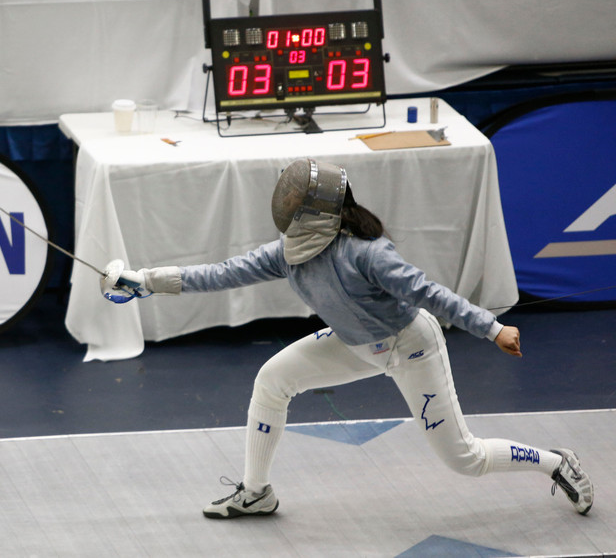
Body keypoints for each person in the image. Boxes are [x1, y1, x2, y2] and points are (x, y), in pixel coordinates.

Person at [102, 157, 593, 519]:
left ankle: (556, 462)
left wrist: (493, 327)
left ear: (316, 212)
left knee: (465, 459)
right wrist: (145, 281)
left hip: (410, 348)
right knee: (272, 380)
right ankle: (256, 492)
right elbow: (223, 272)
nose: (286, 207)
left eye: (295, 202)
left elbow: (430, 293)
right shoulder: (288, 252)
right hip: (354, 344)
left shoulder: (369, 254)